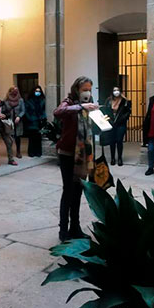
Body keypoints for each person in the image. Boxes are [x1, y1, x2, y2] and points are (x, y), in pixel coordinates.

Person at [54, 76, 99, 241]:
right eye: (84, 89)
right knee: (68, 191)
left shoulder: (90, 104)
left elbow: (93, 129)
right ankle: (63, 230)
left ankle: (75, 227)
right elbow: (58, 112)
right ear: (77, 90)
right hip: (67, 153)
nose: (87, 92)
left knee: (78, 191)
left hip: (83, 155)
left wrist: (100, 118)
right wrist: (80, 107)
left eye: (89, 89)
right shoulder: (69, 102)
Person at [100, 87, 132, 166]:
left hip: (120, 124)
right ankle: (113, 158)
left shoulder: (125, 101)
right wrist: (108, 120)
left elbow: (128, 112)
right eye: (114, 90)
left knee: (119, 140)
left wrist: (122, 119)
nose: (116, 92)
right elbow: (105, 111)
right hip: (111, 123)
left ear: (120, 91)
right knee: (112, 141)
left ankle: (120, 158)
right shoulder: (108, 100)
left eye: (117, 90)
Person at [24, 85, 47, 158]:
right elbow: (26, 111)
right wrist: (30, 118)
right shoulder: (29, 101)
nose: (38, 92)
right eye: (36, 91)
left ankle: (38, 152)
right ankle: (31, 152)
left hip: (39, 121)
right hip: (32, 121)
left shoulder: (42, 100)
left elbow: (43, 110)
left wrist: (43, 118)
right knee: (32, 138)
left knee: (38, 137)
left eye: (39, 91)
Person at [5, 86, 26, 159]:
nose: (15, 92)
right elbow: (5, 110)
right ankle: (10, 152)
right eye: (13, 90)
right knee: (10, 137)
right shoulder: (6, 100)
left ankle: (18, 151)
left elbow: (23, 110)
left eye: (16, 90)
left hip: (18, 121)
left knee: (18, 137)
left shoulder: (20, 100)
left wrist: (19, 116)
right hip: (9, 120)